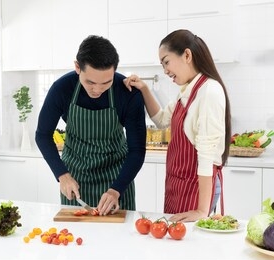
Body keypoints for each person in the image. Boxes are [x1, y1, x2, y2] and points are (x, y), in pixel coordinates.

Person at [124, 29, 232, 222]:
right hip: (178, 185)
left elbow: (207, 155)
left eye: (166, 61)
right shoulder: (187, 91)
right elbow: (161, 120)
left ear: (187, 55)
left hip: (196, 189)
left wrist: (201, 210)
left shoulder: (209, 91)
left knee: (189, 247)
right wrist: (144, 89)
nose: (165, 70)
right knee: (174, 245)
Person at [35, 35, 146, 216]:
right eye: (90, 82)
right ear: (78, 67)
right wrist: (62, 175)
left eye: (106, 83)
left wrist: (116, 189)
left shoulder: (127, 93)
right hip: (75, 179)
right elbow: (42, 135)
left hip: (117, 178)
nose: (98, 90)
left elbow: (137, 149)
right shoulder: (62, 89)